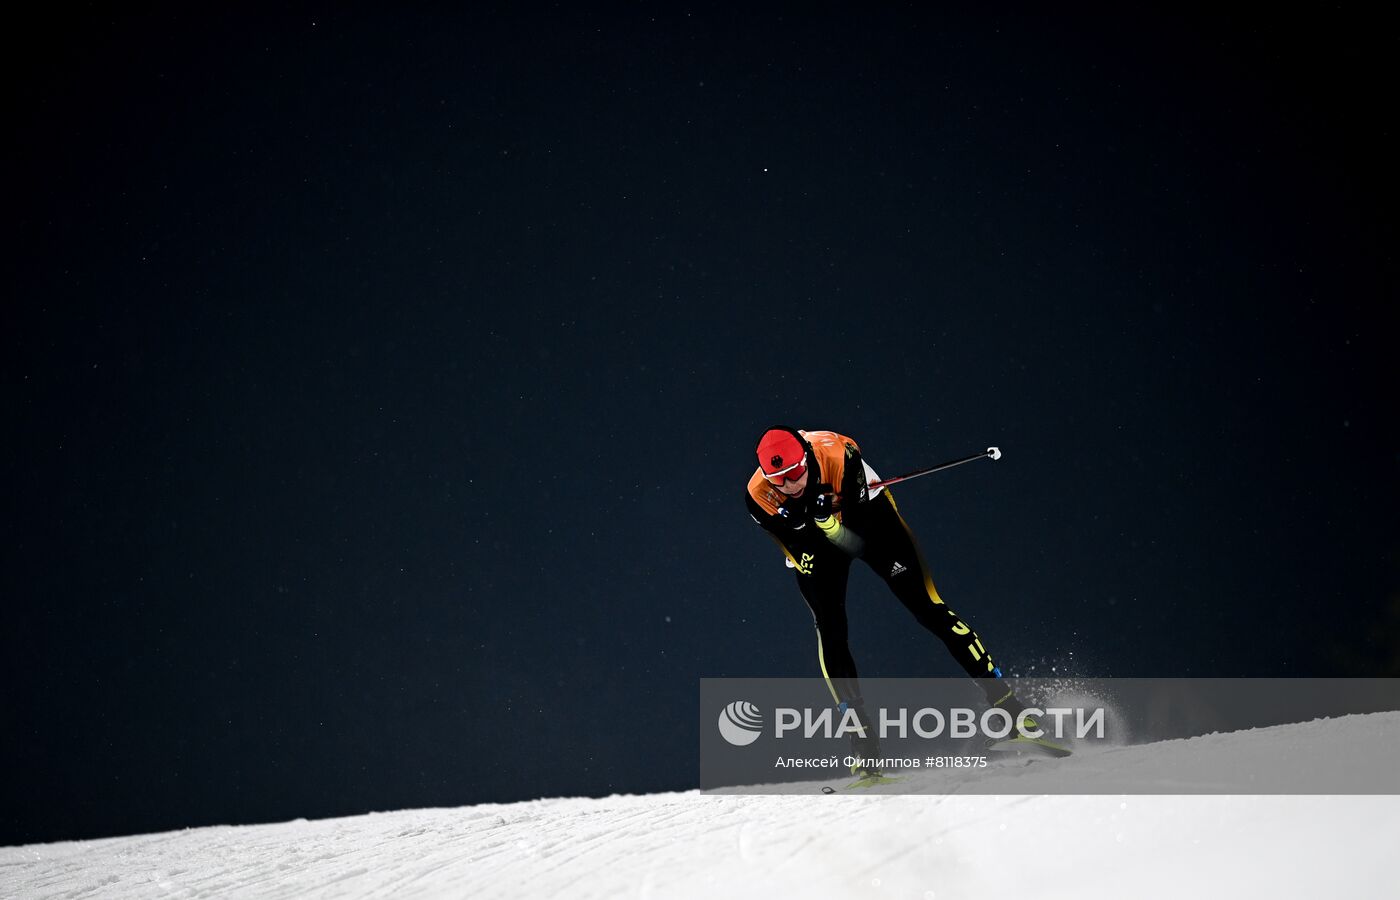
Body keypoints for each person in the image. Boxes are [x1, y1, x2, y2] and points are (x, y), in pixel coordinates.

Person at [744, 426, 1036, 777]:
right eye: (780, 480)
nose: (791, 485)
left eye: (796, 473)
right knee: (830, 630)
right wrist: (806, 523)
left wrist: (821, 517)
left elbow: (851, 539)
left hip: (868, 521)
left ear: (806, 456)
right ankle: (863, 744)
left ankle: (1013, 712)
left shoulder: (840, 454)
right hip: (814, 542)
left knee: (928, 608)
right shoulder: (758, 495)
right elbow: (797, 544)